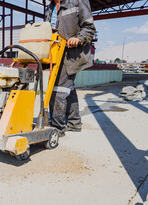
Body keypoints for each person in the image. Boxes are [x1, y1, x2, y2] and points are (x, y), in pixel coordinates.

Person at [45, 0, 96, 135]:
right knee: (68, 89)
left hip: (72, 55)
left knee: (58, 90)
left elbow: (89, 27)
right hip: (55, 56)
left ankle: (57, 128)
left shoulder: (78, 1)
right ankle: (74, 123)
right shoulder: (49, 8)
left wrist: (79, 38)